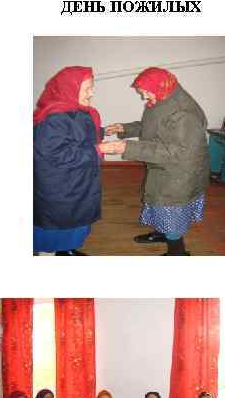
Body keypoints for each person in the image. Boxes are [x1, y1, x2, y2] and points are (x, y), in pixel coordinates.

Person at [105, 67, 210, 256]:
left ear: (161, 87)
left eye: (146, 93)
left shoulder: (185, 114)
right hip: (164, 166)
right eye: (142, 93)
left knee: (170, 212)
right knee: (160, 205)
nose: (144, 98)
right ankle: (162, 232)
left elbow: (179, 152)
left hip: (180, 173)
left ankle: (177, 253)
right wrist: (126, 129)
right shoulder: (162, 97)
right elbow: (154, 126)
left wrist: (128, 148)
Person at [33, 66, 120, 256]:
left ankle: (66, 250)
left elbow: (78, 133)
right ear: (69, 89)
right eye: (87, 88)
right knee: (58, 225)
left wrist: (102, 131)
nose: (92, 93)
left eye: (92, 88)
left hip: (77, 181)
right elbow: (56, 154)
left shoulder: (76, 110)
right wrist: (99, 149)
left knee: (74, 221)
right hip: (61, 185)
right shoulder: (53, 119)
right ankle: (49, 253)